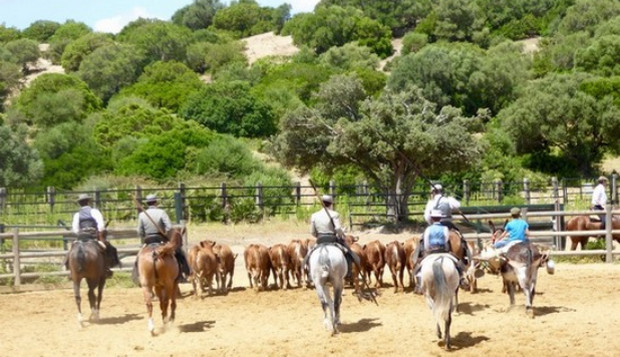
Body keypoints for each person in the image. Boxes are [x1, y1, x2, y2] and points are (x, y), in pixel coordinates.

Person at [133, 194, 190, 283]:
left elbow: (139, 231)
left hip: (148, 241)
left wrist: (145, 235)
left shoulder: (142, 215)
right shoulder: (161, 212)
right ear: (156, 202)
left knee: (138, 257)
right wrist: (165, 233)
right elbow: (169, 227)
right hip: (161, 239)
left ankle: (137, 276)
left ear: (147, 203)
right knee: (179, 252)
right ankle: (184, 274)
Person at [411, 209, 469, 294]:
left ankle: (419, 284)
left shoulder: (428, 229)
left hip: (430, 251)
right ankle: (461, 278)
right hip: (443, 250)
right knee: (457, 263)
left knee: (419, 267)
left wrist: (428, 250)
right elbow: (446, 240)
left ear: (432, 218)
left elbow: (426, 242)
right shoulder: (445, 228)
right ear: (440, 218)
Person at [307, 194, 360, 280]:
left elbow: (312, 232)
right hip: (332, 239)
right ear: (331, 204)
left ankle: (309, 273)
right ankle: (349, 273)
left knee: (309, 254)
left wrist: (319, 236)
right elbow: (338, 228)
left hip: (320, 239)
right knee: (348, 253)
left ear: (322, 203)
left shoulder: (314, 215)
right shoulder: (334, 214)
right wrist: (342, 234)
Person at [423, 184, 473, 265]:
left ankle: (421, 257)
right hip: (448, 224)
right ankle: (466, 257)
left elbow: (427, 217)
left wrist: (431, 224)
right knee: (461, 238)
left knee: (423, 239)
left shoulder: (430, 203)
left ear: (433, 192)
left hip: (434, 224)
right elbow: (458, 205)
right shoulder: (449, 200)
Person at [69, 193, 114, 277]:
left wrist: (80, 232)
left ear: (79, 203)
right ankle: (106, 268)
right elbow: (100, 226)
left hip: (81, 236)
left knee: (72, 249)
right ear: (88, 202)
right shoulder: (94, 211)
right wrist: (99, 231)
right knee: (106, 248)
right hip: (93, 235)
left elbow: (75, 229)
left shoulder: (77, 215)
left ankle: (70, 269)